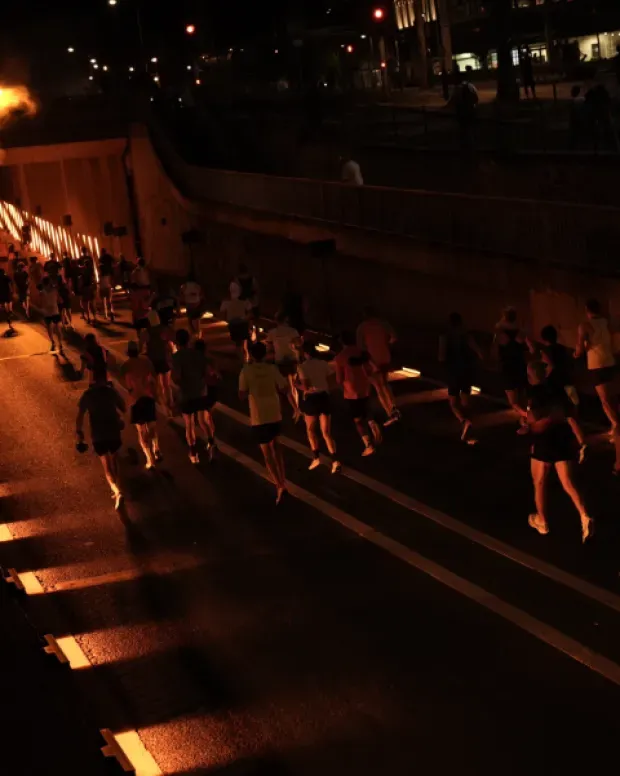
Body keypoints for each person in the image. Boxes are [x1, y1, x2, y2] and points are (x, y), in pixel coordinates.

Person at [526, 361, 593, 543]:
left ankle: (542, 520)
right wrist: (581, 441)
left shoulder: (535, 394)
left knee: (539, 481)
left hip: (544, 443)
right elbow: (570, 416)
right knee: (568, 483)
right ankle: (584, 515)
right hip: (562, 440)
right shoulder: (557, 389)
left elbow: (534, 424)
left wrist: (530, 426)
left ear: (530, 376)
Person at [239, 341, 289, 503]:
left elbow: (241, 394)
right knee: (277, 448)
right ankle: (284, 480)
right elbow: (284, 387)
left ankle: (279, 485)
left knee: (267, 454)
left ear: (251, 355)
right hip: (274, 412)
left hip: (258, 416)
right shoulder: (272, 369)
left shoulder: (246, 371)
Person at [76, 366, 126, 510]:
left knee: (106, 464)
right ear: (105, 378)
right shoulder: (111, 392)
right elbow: (123, 408)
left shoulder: (88, 395)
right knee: (115, 459)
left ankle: (116, 491)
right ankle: (118, 488)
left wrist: (79, 434)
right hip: (113, 430)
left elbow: (80, 415)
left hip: (98, 434)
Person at [334, 330, 382, 456]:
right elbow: (373, 368)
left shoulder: (340, 357)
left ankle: (368, 445)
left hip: (351, 392)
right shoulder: (362, 352)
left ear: (341, 342)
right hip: (365, 387)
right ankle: (372, 422)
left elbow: (339, 380)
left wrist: (342, 389)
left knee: (358, 420)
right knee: (366, 409)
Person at [575, 298, 618, 437]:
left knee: (604, 400)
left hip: (596, 364)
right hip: (610, 361)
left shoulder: (585, 325)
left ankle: (616, 426)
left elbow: (580, 349)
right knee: (612, 397)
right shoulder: (606, 323)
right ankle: (615, 425)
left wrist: (576, 353)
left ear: (587, 310)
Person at [439, 312, 483, 442]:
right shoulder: (467, 335)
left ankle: (464, 421)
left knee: (453, 403)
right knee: (465, 400)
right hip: (466, 370)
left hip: (453, 371)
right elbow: (478, 352)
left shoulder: (444, 336)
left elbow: (441, 356)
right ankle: (469, 426)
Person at [298, 341, 341, 473]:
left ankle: (316, 457)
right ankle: (335, 460)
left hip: (311, 399)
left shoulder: (302, 367)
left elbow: (305, 386)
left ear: (305, 353)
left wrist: (296, 385)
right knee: (326, 432)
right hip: (324, 397)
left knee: (310, 430)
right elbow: (333, 382)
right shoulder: (323, 364)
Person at [171, 328, 212, 464]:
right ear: (188, 340)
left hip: (186, 394)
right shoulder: (198, 354)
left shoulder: (177, 357)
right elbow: (206, 372)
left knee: (189, 425)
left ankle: (194, 454)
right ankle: (211, 444)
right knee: (204, 421)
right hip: (201, 392)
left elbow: (176, 377)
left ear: (176, 342)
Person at [356, 306, 400, 426]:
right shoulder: (383, 323)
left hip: (372, 360)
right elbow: (394, 338)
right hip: (385, 356)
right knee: (384, 383)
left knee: (378, 387)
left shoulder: (362, 327)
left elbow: (361, 347)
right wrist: (385, 343)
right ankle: (394, 407)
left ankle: (390, 412)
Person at [121, 341, 161, 469]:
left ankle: (150, 460)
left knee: (141, 431)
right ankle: (156, 447)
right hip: (148, 396)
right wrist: (156, 393)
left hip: (136, 400)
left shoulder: (125, 366)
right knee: (152, 425)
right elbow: (154, 377)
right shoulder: (146, 362)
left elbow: (126, 384)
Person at [494, 307, 529, 434]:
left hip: (507, 367)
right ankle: (525, 422)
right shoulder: (520, 331)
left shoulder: (500, 332)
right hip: (520, 365)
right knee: (522, 397)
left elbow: (498, 347)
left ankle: (527, 417)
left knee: (513, 402)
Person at [265, 312, 303, 421]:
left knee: (287, 387)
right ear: (286, 319)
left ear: (276, 320)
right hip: (293, 359)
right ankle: (297, 408)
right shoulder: (292, 331)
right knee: (294, 385)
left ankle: (296, 410)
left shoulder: (272, 333)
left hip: (281, 361)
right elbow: (299, 344)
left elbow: (268, 347)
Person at [194, 338, 220, 457]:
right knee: (208, 417)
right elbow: (216, 374)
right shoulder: (211, 359)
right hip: (213, 390)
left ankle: (211, 442)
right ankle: (212, 440)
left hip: (203, 391)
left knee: (201, 420)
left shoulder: (198, 361)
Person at [145, 316, 174, 411]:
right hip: (164, 360)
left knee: (159, 383)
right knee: (167, 384)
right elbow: (170, 346)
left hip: (154, 360)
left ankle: (162, 403)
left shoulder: (147, 332)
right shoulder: (163, 332)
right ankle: (171, 402)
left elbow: (142, 346)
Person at [220, 288, 252, 361]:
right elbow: (250, 312)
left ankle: (241, 360)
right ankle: (245, 358)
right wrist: (245, 319)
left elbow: (222, 313)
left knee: (238, 343)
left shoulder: (226, 301)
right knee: (243, 342)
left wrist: (228, 320)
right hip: (242, 323)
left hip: (233, 323)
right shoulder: (244, 301)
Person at [39, 276, 63, 352]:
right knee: (58, 328)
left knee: (49, 328)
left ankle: (53, 342)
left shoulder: (41, 292)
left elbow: (40, 303)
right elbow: (60, 301)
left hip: (47, 312)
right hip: (55, 311)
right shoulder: (55, 290)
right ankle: (60, 343)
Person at [180, 272, 203, 336]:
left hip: (189, 303)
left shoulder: (184, 286)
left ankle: (192, 332)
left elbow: (181, 294)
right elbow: (201, 294)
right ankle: (198, 332)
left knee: (190, 318)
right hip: (196, 303)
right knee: (197, 318)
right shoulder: (197, 285)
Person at [78, 253, 97, 325]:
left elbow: (81, 281)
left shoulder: (83, 272)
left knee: (86, 305)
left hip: (85, 289)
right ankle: (95, 317)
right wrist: (94, 287)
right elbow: (93, 280)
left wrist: (81, 288)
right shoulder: (91, 272)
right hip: (90, 288)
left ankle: (88, 317)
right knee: (92, 303)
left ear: (85, 265)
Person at [98, 249, 115, 321]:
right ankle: (111, 311)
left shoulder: (100, 275)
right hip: (108, 287)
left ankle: (106, 315)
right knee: (109, 301)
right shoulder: (108, 274)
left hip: (102, 288)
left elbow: (99, 281)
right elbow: (114, 261)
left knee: (104, 302)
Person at [0, 268, 14, 334]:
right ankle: (10, 311)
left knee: (4, 302)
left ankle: (7, 312)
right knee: (9, 301)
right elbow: (10, 283)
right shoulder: (6, 277)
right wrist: (11, 290)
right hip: (6, 292)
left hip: (1, 293)